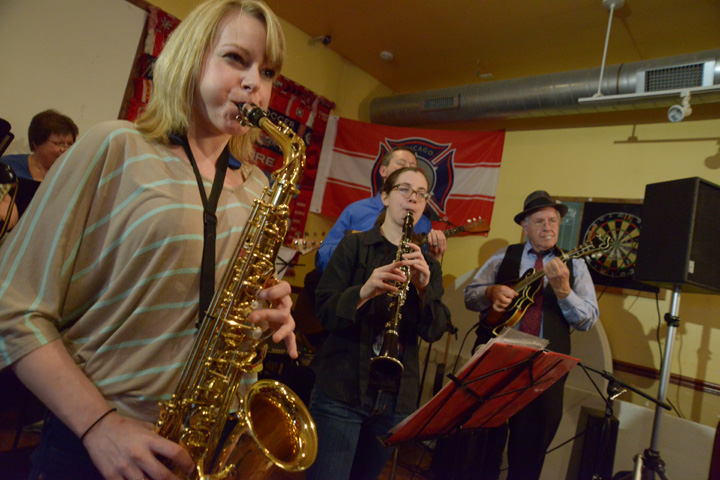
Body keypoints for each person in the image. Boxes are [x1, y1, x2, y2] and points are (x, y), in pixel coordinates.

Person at [0, 1, 297, 479]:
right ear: (190, 58)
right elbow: (12, 305)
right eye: (236, 59)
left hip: (199, 446)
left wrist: (267, 318)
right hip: (94, 443)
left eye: (268, 71)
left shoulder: (260, 188)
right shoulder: (115, 146)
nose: (254, 84)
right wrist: (99, 425)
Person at [306, 166, 451, 480]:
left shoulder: (427, 264)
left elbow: (435, 329)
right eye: (404, 190)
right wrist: (364, 291)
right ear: (385, 196)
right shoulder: (354, 246)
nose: (412, 199)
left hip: (395, 400)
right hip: (341, 392)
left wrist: (424, 289)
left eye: (421, 194)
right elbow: (324, 312)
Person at [463, 190, 599, 480]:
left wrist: (564, 291)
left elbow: (587, 320)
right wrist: (490, 292)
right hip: (496, 364)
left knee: (530, 454)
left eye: (553, 220)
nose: (548, 227)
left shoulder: (575, 265)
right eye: (539, 221)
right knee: (482, 445)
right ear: (524, 226)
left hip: (543, 370)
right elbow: (470, 296)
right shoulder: (503, 257)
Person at [314, 147, 448, 273]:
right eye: (401, 164)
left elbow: (422, 277)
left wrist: (432, 258)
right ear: (383, 171)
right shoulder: (356, 211)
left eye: (412, 168)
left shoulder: (422, 221)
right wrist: (356, 248)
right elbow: (322, 260)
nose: (406, 170)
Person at [0, 109, 78, 229]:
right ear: (36, 143)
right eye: (59, 144)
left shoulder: (72, 175)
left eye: (70, 144)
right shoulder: (8, 166)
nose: (65, 150)